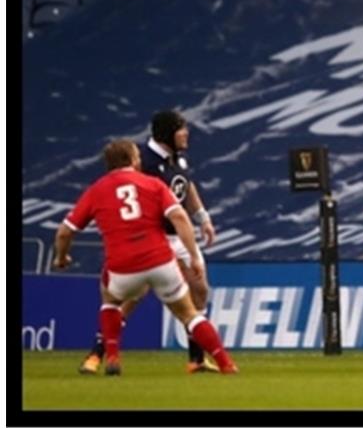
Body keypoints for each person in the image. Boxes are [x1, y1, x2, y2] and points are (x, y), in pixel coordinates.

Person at [53, 140, 237, 376]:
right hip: (160, 261)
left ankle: (111, 357)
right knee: (189, 314)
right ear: (132, 159)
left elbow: (65, 232)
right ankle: (225, 362)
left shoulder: (97, 189)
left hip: (122, 268)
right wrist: (193, 256)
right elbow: (180, 217)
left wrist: (61, 257)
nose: (140, 159)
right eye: (137, 155)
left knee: (110, 300)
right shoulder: (153, 184)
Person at [80, 109, 219, 375]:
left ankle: (196, 359)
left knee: (200, 289)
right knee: (132, 297)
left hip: (176, 233)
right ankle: (97, 354)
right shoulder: (143, 160)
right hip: (152, 235)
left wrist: (202, 217)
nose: (186, 133)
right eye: (181, 128)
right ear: (167, 132)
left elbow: (186, 186)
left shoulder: (178, 158)